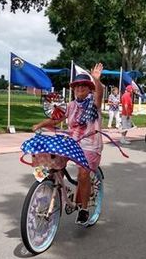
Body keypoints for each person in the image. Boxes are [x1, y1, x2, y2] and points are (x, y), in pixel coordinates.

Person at [33, 64, 104, 225]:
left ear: (89, 88)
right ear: (73, 89)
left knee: (83, 174)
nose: (79, 88)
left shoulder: (94, 103)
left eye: (83, 86)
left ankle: (84, 209)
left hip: (90, 145)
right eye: (77, 86)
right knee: (53, 161)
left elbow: (100, 92)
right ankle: (55, 185)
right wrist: (40, 125)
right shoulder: (71, 105)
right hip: (73, 142)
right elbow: (56, 119)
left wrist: (96, 80)